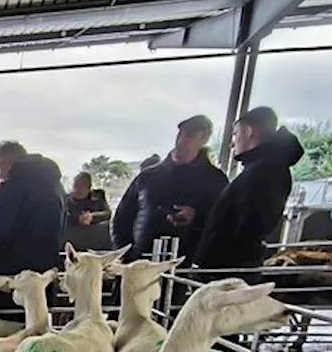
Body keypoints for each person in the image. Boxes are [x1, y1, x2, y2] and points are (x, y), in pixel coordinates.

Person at [195, 107, 305, 280]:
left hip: (228, 273)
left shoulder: (264, 172)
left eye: (235, 134)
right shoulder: (261, 169)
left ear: (248, 131)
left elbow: (248, 228)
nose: (232, 143)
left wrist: (216, 265)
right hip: (230, 269)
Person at [0, 140, 65, 309]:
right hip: (44, 274)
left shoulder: (13, 182)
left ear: (5, 163)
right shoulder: (55, 184)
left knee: (9, 328)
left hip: (13, 278)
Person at [111, 115, 228, 262]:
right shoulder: (148, 176)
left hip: (188, 267)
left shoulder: (215, 180)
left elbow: (224, 222)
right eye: (181, 134)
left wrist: (197, 216)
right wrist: (124, 256)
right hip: (140, 264)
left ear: (203, 140)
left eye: (190, 135)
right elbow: (122, 218)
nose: (182, 140)